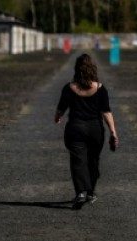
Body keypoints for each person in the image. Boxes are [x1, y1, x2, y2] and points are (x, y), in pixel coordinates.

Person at [55, 53, 119, 208]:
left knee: (78, 160)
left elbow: (61, 108)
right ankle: (90, 192)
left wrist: (57, 118)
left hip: (75, 128)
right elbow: (106, 112)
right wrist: (113, 131)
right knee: (93, 160)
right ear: (93, 69)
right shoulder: (101, 89)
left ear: (76, 69)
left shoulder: (69, 88)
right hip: (95, 129)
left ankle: (81, 192)